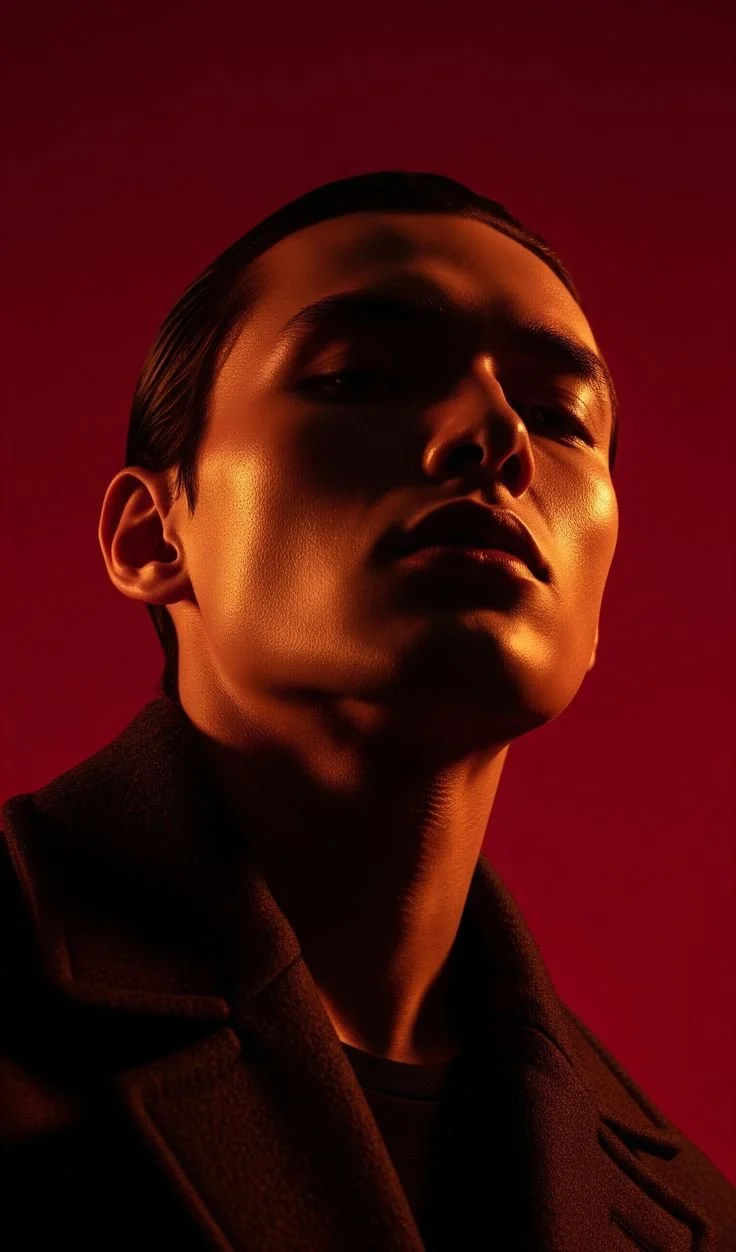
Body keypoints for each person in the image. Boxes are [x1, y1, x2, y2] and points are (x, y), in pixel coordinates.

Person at [1, 170, 734, 1251]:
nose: (496, 437)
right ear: (153, 535)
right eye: (359, 377)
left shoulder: (691, 1217)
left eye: (557, 414)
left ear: (594, 603)